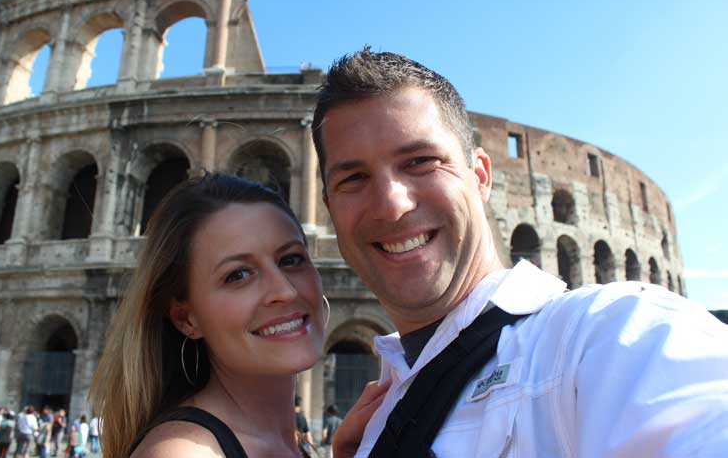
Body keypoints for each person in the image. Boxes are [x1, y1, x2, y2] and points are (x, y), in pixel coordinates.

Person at [312, 47, 728, 457]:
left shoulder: (610, 337)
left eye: (421, 161)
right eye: (354, 179)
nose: (392, 204)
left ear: (480, 177)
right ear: (328, 206)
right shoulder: (378, 420)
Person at [89, 173, 328, 458]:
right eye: (238, 275)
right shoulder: (182, 453)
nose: (285, 291)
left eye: (291, 259)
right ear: (186, 319)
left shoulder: (285, 443)